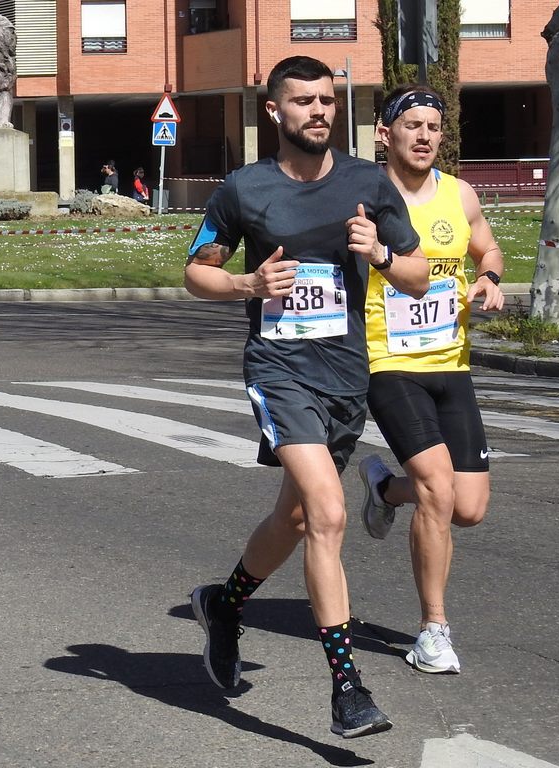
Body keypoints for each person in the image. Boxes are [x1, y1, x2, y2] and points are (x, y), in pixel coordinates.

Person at [184, 56, 429, 739]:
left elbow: (416, 275)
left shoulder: (367, 182)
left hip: (346, 376)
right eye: (304, 101)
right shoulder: (244, 190)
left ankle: (224, 604)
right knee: (326, 511)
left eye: (327, 100)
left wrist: (379, 252)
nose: (319, 110)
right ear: (275, 112)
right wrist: (248, 286)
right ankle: (347, 688)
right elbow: (195, 273)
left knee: (293, 521)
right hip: (279, 371)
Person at [355, 84, 505, 675]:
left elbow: (487, 249)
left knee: (467, 508)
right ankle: (433, 630)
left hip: (451, 362)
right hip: (387, 362)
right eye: (412, 126)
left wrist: (490, 278)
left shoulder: (459, 194)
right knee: (439, 490)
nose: (424, 136)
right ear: (385, 136)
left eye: (433, 127)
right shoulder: (363, 197)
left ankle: (385, 489)